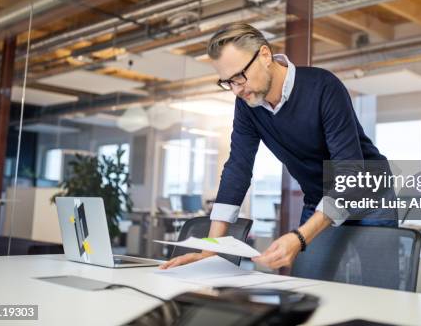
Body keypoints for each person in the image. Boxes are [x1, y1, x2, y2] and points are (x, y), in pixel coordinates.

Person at [160, 23, 397, 270]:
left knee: (377, 285)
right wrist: (210, 249)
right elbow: (237, 170)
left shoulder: (323, 86)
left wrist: (301, 236)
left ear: (264, 55)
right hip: (319, 198)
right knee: (310, 286)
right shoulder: (247, 106)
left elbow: (351, 174)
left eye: (239, 76)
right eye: (227, 82)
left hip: (370, 197)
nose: (236, 89)